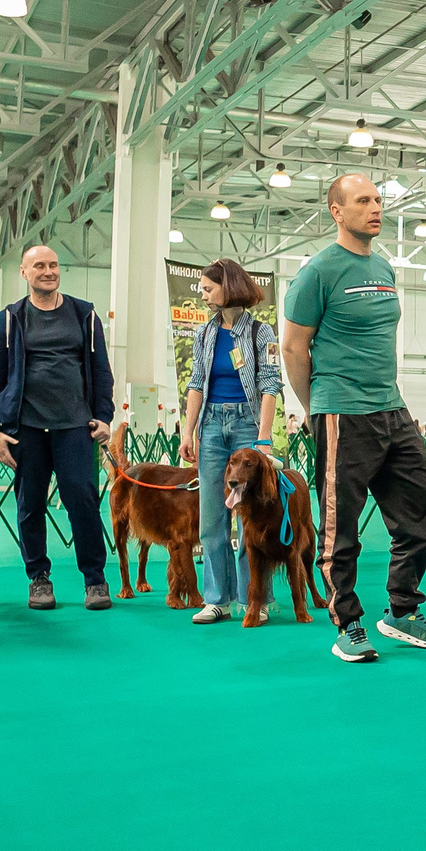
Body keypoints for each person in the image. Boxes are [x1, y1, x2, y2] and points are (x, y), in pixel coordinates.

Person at [282, 174, 426, 663]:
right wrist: (317, 407)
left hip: (392, 408)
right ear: (337, 211)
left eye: (378, 199)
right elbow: (294, 346)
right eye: (363, 201)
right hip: (342, 411)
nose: (375, 208)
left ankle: (402, 610)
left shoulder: (383, 267)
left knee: (421, 512)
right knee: (341, 527)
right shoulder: (318, 271)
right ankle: (349, 624)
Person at [0, 245, 116, 612]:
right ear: (23, 273)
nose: (48, 271)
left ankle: (95, 580)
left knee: (83, 502)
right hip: (24, 428)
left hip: (75, 426)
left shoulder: (84, 315)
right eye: (39, 265)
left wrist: (104, 416)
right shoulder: (8, 320)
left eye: (53, 265)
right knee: (30, 506)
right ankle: (38, 579)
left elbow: (102, 372)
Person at [181, 258, 284, 625]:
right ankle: (216, 599)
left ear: (229, 287)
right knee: (212, 519)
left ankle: (255, 599)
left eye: (209, 288)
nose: (204, 295)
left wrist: (263, 438)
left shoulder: (262, 333)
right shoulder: (205, 333)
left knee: (252, 520)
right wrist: (187, 430)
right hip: (210, 427)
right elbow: (195, 383)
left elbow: (271, 384)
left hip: (247, 426)